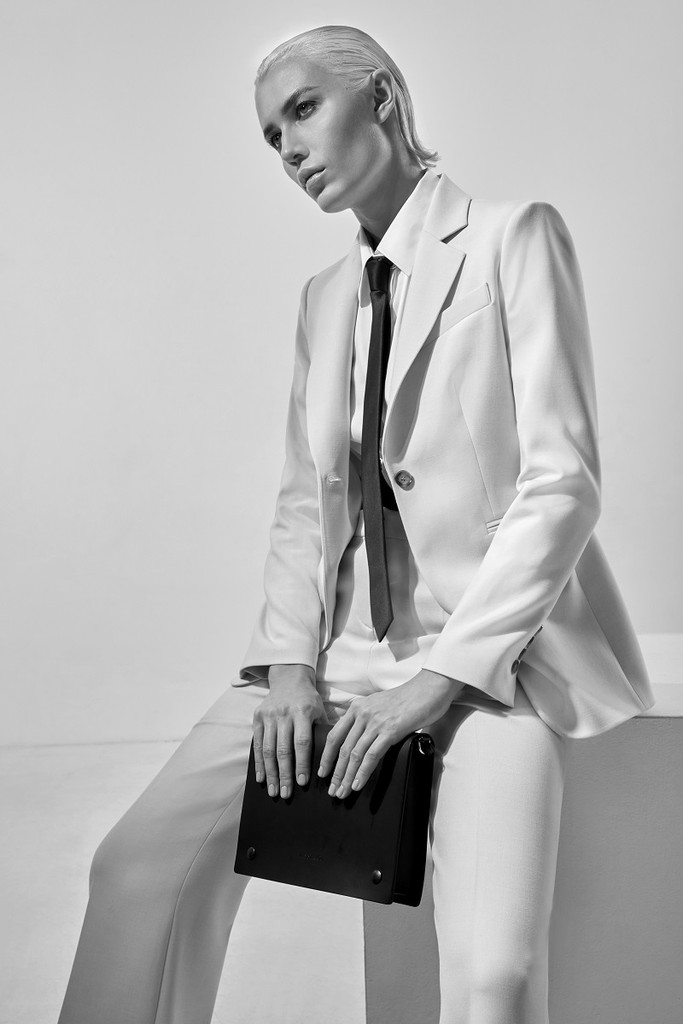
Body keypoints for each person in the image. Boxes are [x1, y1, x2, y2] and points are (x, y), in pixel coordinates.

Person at [58, 24, 655, 1024]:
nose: (289, 149)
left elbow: (561, 482)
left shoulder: (512, 238)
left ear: (379, 95)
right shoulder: (324, 297)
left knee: (495, 975)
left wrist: (439, 680)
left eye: (302, 110)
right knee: (135, 867)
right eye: (270, 136)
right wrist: (290, 667)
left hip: (487, 664)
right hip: (339, 657)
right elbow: (307, 500)